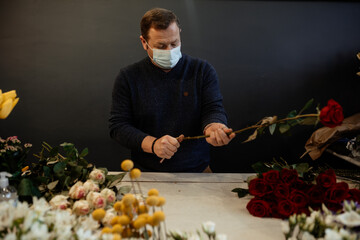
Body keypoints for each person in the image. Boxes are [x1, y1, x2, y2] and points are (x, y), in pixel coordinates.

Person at [109, 8, 235, 172]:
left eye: (174, 43)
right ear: (143, 42)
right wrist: (153, 144)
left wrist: (214, 126)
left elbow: (213, 108)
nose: (169, 51)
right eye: (161, 46)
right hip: (146, 174)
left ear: (180, 34)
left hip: (198, 170)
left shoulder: (202, 70)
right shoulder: (128, 77)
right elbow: (118, 126)